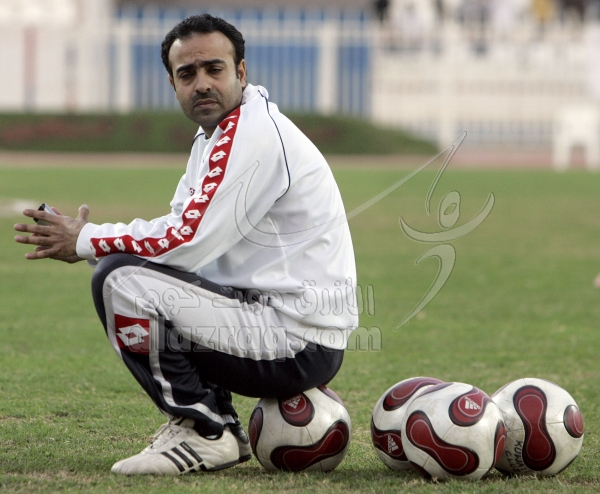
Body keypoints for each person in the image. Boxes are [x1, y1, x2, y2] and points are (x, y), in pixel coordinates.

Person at [14, 14, 358, 476]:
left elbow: (186, 240)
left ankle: (205, 431)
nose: (202, 84)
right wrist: (95, 245)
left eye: (214, 69)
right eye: (187, 74)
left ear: (240, 72)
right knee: (130, 272)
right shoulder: (217, 135)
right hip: (281, 326)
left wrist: (86, 241)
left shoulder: (251, 134)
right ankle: (219, 422)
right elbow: (178, 233)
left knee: (120, 280)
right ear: (173, 84)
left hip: (295, 341)